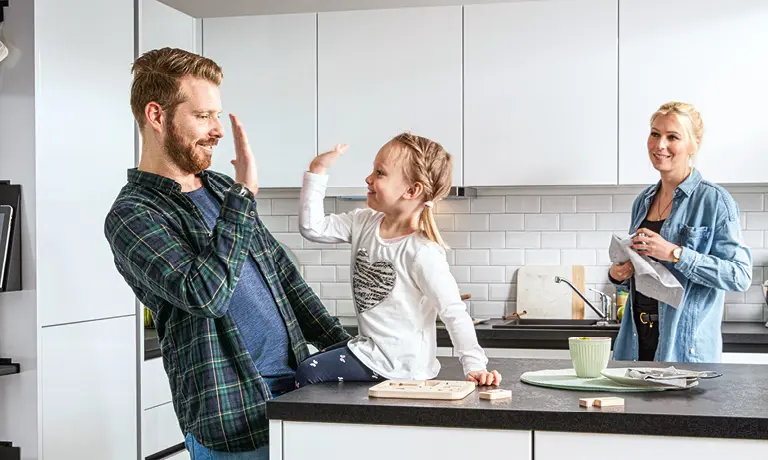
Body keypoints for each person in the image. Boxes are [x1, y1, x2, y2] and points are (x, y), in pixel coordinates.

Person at [104, 48, 350, 459]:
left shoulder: (219, 188)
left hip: (298, 388)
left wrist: (348, 350)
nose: (217, 129)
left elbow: (284, 277)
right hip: (231, 413)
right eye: (203, 116)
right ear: (156, 115)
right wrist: (243, 197)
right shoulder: (133, 215)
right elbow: (205, 295)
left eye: (218, 115)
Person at [295, 134, 502, 387]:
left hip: (400, 364)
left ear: (412, 190)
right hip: (373, 352)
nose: (368, 178)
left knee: (308, 371)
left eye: (380, 172)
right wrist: (318, 171)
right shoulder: (364, 222)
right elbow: (312, 228)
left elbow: (453, 312)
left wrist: (475, 366)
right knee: (308, 359)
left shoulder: (421, 252)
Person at [609, 101, 752, 363]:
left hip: (683, 349)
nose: (659, 145)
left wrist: (675, 253)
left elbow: (740, 276)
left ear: (693, 145)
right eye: (655, 134)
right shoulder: (643, 200)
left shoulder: (714, 200)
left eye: (672, 136)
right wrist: (618, 274)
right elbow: (648, 272)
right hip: (635, 343)